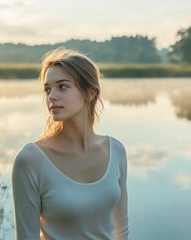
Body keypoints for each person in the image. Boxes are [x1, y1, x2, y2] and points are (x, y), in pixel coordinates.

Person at [12, 48, 129, 240]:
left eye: (62, 87)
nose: (51, 96)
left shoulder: (116, 150)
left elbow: (121, 229)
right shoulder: (30, 160)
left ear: (90, 93)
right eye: (47, 89)